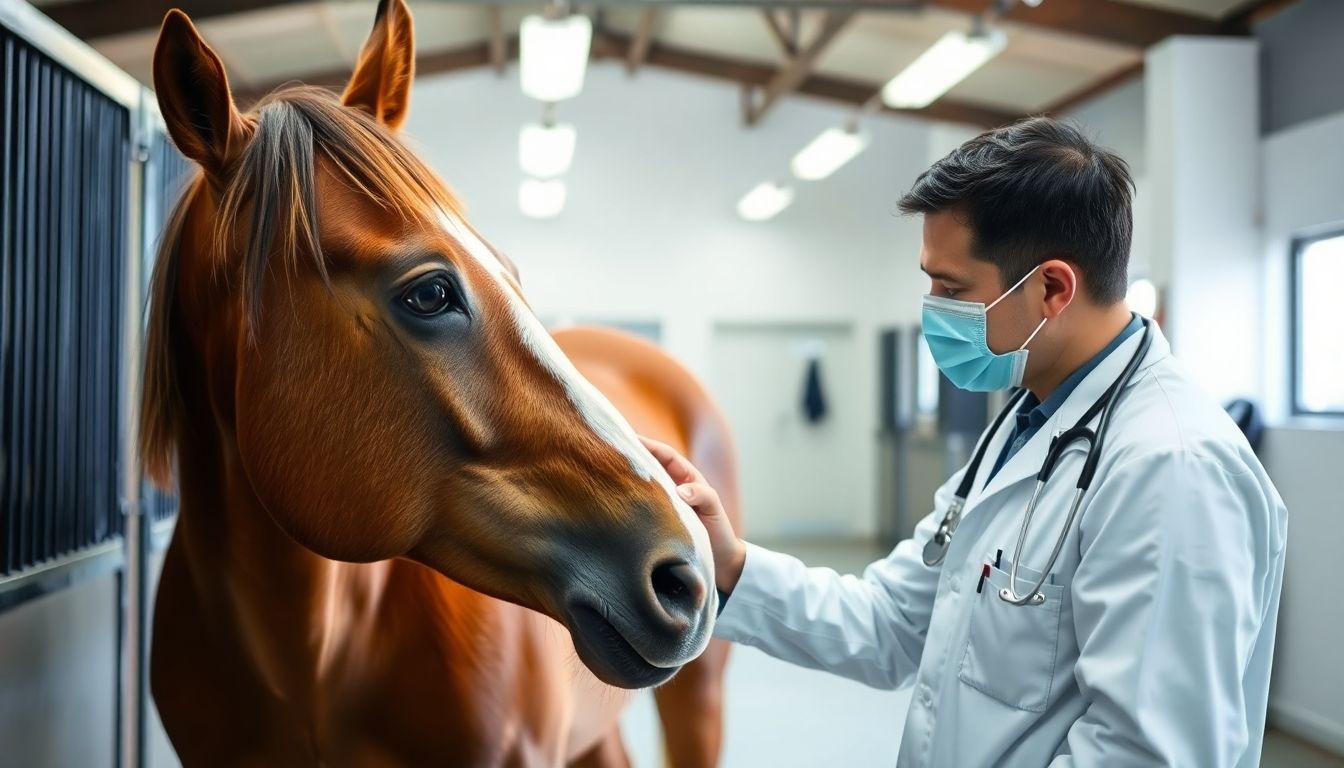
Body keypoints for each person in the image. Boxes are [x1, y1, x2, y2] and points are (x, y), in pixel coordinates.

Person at [641, 117, 1287, 767]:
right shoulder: (1025, 423)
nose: (932, 310)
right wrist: (727, 561)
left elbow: (1148, 754)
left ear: (1052, 289)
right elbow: (891, 624)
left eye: (951, 289)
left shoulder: (1171, 468)